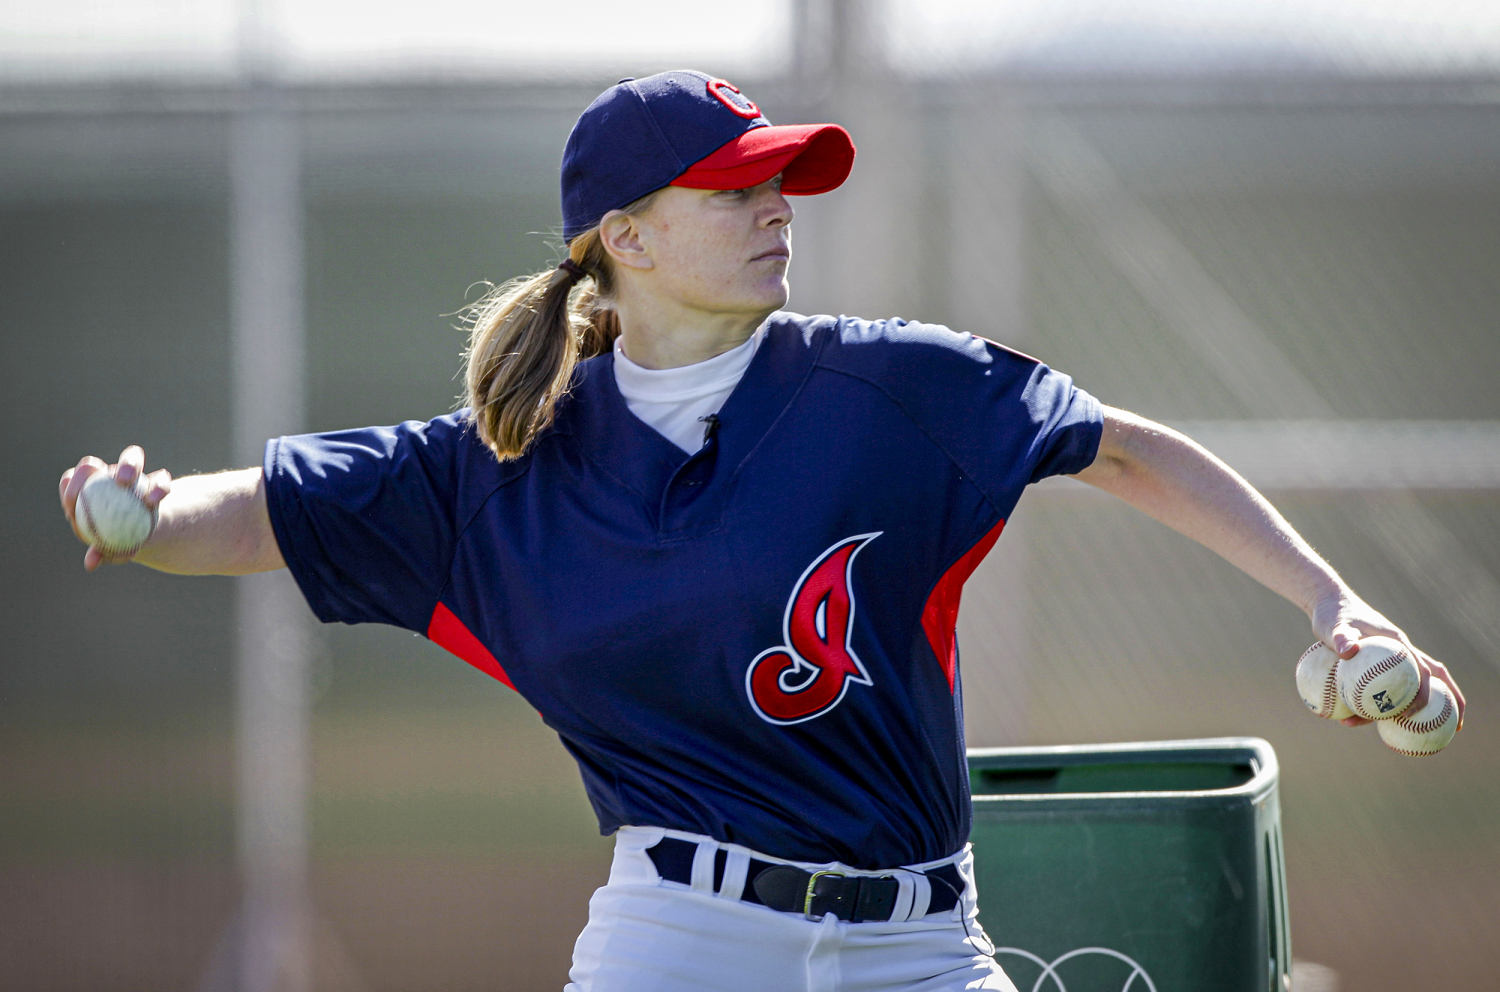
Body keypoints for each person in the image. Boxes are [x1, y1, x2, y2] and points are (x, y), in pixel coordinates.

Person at [60, 69, 1465, 992]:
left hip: (922, 944)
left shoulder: (891, 390)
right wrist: (144, 516)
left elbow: (1123, 448)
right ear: (628, 236)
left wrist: (1333, 604)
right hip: (679, 940)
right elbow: (266, 516)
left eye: (780, 177)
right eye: (734, 186)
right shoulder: (500, 473)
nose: (775, 205)